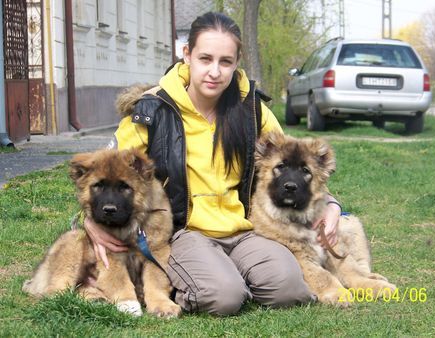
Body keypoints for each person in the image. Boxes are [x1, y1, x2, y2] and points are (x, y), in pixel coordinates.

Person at [84, 12, 342, 316]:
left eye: (225, 62)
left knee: (289, 289)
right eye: (205, 59)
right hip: (184, 233)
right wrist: (88, 222)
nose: (215, 72)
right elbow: (101, 172)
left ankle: (228, 272)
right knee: (224, 298)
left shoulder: (251, 110)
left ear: (236, 63)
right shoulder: (152, 110)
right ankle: (202, 280)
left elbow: (296, 161)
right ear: (187, 56)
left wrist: (333, 205)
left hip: (246, 232)